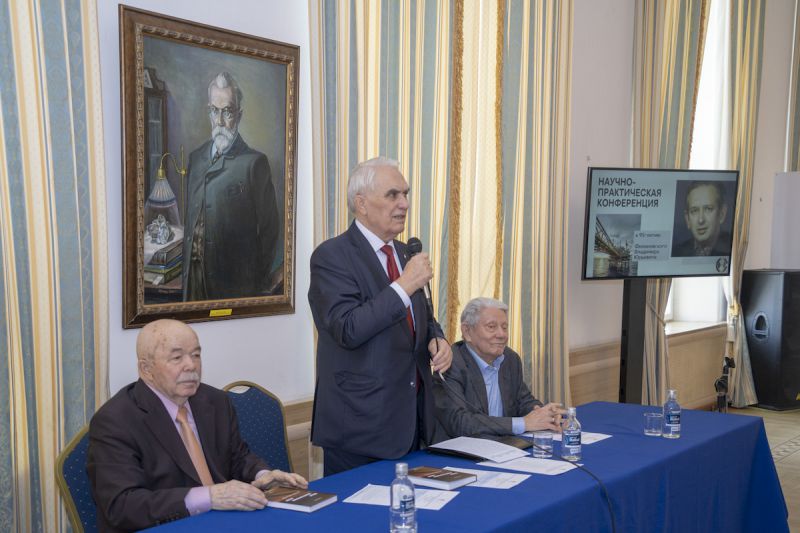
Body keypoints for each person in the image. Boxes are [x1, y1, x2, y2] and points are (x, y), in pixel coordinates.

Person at [87, 319, 306, 532]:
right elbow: (122, 505)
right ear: (146, 369)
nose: (191, 365)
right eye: (177, 357)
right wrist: (209, 497)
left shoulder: (215, 401)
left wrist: (263, 475)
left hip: (224, 521)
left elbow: (238, 457)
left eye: (196, 355)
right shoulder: (115, 421)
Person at [308, 156, 453, 476]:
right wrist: (405, 284)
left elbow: (422, 317)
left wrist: (437, 338)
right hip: (359, 430)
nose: (404, 204)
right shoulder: (331, 257)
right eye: (392, 195)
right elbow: (347, 328)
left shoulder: (404, 253)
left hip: (413, 422)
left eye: (406, 194)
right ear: (361, 203)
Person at [182, 71, 280, 301]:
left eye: (227, 111)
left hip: (234, 285)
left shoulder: (254, 163)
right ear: (208, 111)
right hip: (193, 280)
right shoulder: (196, 158)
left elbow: (270, 230)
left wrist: (254, 279)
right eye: (214, 111)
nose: (219, 121)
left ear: (239, 114)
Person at [433, 297, 565, 439]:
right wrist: (523, 423)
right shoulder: (451, 364)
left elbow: (523, 401)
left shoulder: (510, 359)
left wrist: (544, 414)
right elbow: (460, 423)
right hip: (460, 448)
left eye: (504, 327)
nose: (502, 335)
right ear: (467, 331)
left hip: (504, 444)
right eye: (491, 327)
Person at [672, 181, 732, 257]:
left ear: (722, 214)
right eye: (694, 211)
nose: (701, 220)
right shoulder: (676, 252)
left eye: (708, 209)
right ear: (687, 219)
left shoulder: (732, 250)